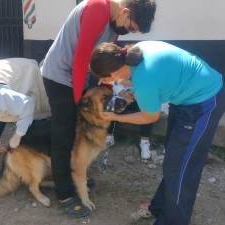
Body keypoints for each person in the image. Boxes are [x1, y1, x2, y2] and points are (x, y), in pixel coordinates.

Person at [89, 41, 225, 224]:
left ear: (113, 73)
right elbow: (143, 78)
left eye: (102, 79)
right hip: (184, 99)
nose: (101, 83)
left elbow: (149, 117)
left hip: (204, 102)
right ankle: (160, 206)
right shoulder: (134, 53)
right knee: (174, 158)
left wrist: (114, 117)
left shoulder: (144, 82)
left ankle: (173, 220)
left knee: (181, 167)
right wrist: (118, 80)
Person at [40, 0, 156, 217]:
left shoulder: (115, 23)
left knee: (79, 132)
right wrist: (78, 104)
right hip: (60, 74)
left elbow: (102, 62)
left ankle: (75, 173)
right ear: (124, 12)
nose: (128, 31)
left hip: (83, 74)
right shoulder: (96, 8)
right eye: (131, 27)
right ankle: (64, 191)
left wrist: (106, 88)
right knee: (63, 134)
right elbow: (81, 58)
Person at [106, 83, 154, 159]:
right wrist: (124, 93)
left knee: (148, 109)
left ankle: (145, 142)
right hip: (121, 95)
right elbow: (115, 82)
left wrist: (134, 95)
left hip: (141, 97)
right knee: (111, 104)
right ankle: (109, 135)